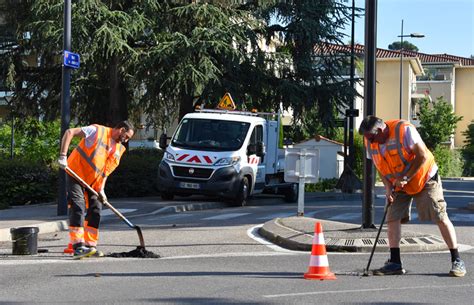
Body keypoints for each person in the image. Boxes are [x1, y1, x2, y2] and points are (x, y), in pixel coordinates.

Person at [359, 115, 466, 277]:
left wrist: (406, 178)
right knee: (392, 216)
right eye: (367, 139)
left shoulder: (404, 130)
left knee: (439, 215)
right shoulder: (370, 141)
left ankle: (457, 260)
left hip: (424, 178)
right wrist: (388, 188)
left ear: (380, 130)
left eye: (372, 138)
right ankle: (395, 263)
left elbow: (422, 155)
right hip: (398, 182)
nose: (370, 142)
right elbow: (379, 165)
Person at [58, 121, 135, 259]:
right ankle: (78, 246)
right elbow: (70, 132)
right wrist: (63, 156)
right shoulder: (97, 131)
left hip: (93, 182)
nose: (126, 140)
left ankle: (90, 246)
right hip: (76, 172)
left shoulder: (118, 149)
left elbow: (105, 172)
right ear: (122, 129)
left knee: (96, 209)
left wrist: (102, 190)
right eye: (127, 136)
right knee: (78, 206)